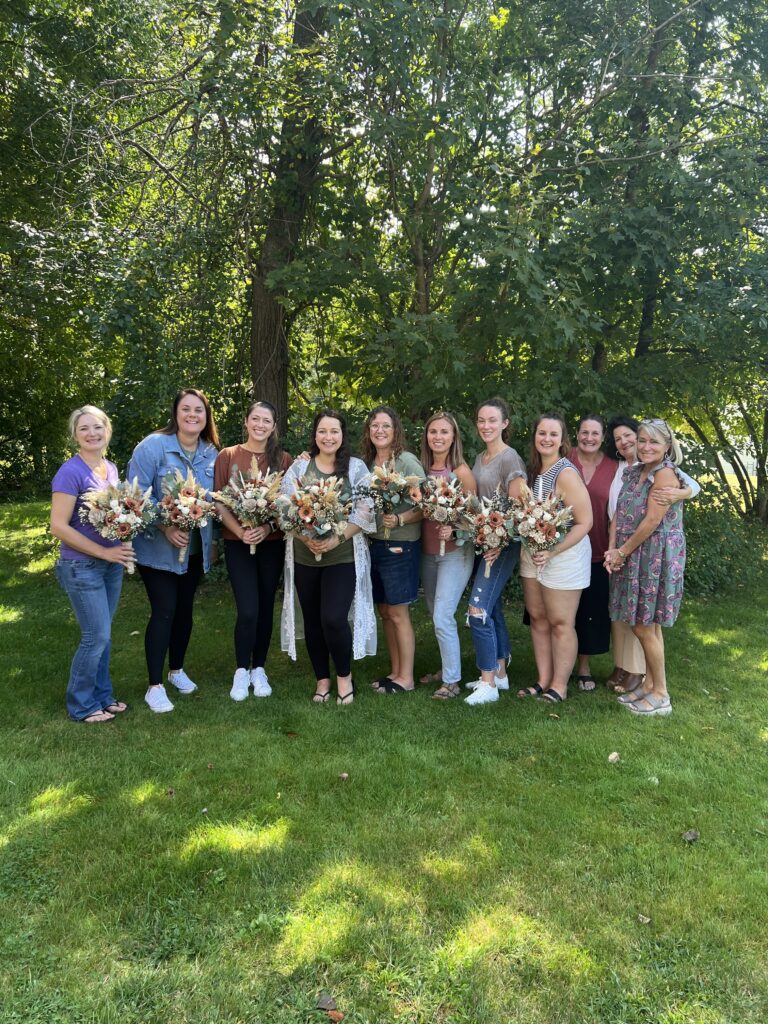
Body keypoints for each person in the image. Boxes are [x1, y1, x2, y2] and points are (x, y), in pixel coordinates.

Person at [127, 388, 219, 713]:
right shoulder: (152, 447)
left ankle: (176, 670)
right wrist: (165, 525)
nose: (193, 415)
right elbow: (135, 495)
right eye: (186, 409)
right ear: (175, 413)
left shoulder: (212, 453)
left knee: (184, 613)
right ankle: (154, 686)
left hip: (193, 550)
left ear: (206, 417)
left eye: (199, 410)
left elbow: (215, 499)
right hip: (157, 550)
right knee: (164, 610)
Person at [280, 410, 375, 705]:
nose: (328, 437)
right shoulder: (299, 468)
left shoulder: (356, 468)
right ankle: (322, 678)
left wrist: (337, 537)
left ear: (342, 435)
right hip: (304, 556)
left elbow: (366, 509)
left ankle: (344, 677)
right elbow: (284, 509)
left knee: (333, 618)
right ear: (315, 435)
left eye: (334, 431)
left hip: (342, 556)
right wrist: (304, 536)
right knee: (312, 620)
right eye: (322, 431)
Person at [51, 405, 135, 723]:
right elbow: (58, 526)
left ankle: (102, 696)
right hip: (81, 566)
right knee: (95, 635)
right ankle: (82, 704)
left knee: (104, 634)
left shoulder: (109, 469)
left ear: (107, 431)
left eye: (97, 427)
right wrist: (104, 554)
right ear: (75, 435)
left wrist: (124, 542)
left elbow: (117, 517)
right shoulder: (70, 472)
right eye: (84, 428)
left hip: (110, 564)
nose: (92, 433)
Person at [605, 415, 699, 695]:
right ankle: (649, 686)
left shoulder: (665, 473)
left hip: (653, 556)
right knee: (647, 625)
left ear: (667, 445)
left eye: (653, 442)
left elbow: (651, 522)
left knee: (645, 626)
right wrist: (614, 550)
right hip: (634, 554)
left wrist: (621, 551)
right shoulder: (634, 472)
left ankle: (661, 694)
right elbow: (620, 514)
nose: (645, 446)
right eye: (642, 440)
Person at [214, 400, 293, 701]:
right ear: (246, 422)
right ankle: (240, 670)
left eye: (266, 421)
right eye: (255, 419)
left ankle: (258, 668)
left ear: (273, 426)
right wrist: (241, 531)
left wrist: (268, 528)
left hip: (270, 545)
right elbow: (219, 500)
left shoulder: (282, 459)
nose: (260, 425)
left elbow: (287, 505)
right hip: (238, 544)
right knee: (247, 609)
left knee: (263, 609)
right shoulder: (228, 456)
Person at [517, 413, 593, 703]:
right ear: (535, 436)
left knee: (561, 622)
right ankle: (542, 679)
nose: (546, 439)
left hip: (563, 557)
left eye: (553, 434)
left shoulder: (566, 473)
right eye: (541, 433)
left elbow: (585, 522)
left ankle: (559, 686)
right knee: (538, 618)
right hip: (532, 554)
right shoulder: (533, 470)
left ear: (563, 440)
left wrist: (552, 551)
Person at [464, 398, 527, 705]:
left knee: (478, 611)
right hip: (484, 542)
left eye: (492, 420)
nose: (486, 426)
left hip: (501, 546)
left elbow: (518, 508)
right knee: (494, 608)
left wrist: (498, 544)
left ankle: (487, 682)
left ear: (505, 424)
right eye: (481, 420)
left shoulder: (509, 458)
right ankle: (500, 674)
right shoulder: (481, 457)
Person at [362, 405, 425, 695]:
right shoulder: (367, 462)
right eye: (375, 425)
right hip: (374, 544)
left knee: (398, 613)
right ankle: (395, 671)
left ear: (395, 429)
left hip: (401, 545)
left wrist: (400, 518)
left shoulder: (407, 462)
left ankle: (407, 678)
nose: (380, 430)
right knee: (385, 611)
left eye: (385, 425)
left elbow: (425, 505)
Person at [417, 411, 477, 699]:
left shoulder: (461, 472)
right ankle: (447, 667)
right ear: (426, 436)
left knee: (442, 616)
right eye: (433, 432)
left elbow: (476, 516)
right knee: (435, 613)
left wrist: (454, 530)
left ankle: (452, 681)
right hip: (427, 553)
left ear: (454, 437)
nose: (438, 437)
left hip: (455, 553)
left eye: (444, 432)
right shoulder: (420, 469)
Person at [568, 414, 618, 691]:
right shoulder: (565, 458)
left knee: (589, 611)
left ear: (602, 438)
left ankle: (584, 666)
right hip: (563, 549)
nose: (589, 437)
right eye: (584, 432)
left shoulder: (614, 466)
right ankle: (557, 662)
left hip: (598, 549)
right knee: (564, 613)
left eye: (595, 433)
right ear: (577, 434)